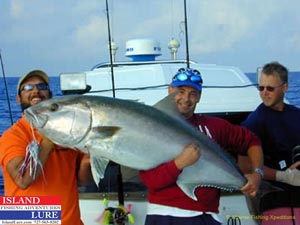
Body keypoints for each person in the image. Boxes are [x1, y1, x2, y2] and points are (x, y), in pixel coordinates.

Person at [139, 67, 264, 225]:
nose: (186, 98)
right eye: (181, 91)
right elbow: (151, 181)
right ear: (169, 90)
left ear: (199, 97)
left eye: (193, 93)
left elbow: (252, 141)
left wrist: (257, 174)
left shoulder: (214, 126)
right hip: (163, 214)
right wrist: (180, 163)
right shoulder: (151, 129)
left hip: (206, 215)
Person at [0, 70, 93, 225]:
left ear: (50, 95)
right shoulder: (12, 136)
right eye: (28, 87)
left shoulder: (70, 132)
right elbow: (22, 180)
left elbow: (84, 181)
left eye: (42, 86)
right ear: (18, 98)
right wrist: (49, 138)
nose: (36, 90)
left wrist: (88, 161)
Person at [239, 62, 300, 224]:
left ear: (285, 87)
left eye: (270, 88)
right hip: (271, 196)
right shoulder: (254, 123)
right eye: (261, 88)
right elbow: (245, 167)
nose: (265, 93)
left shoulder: (296, 115)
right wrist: (283, 176)